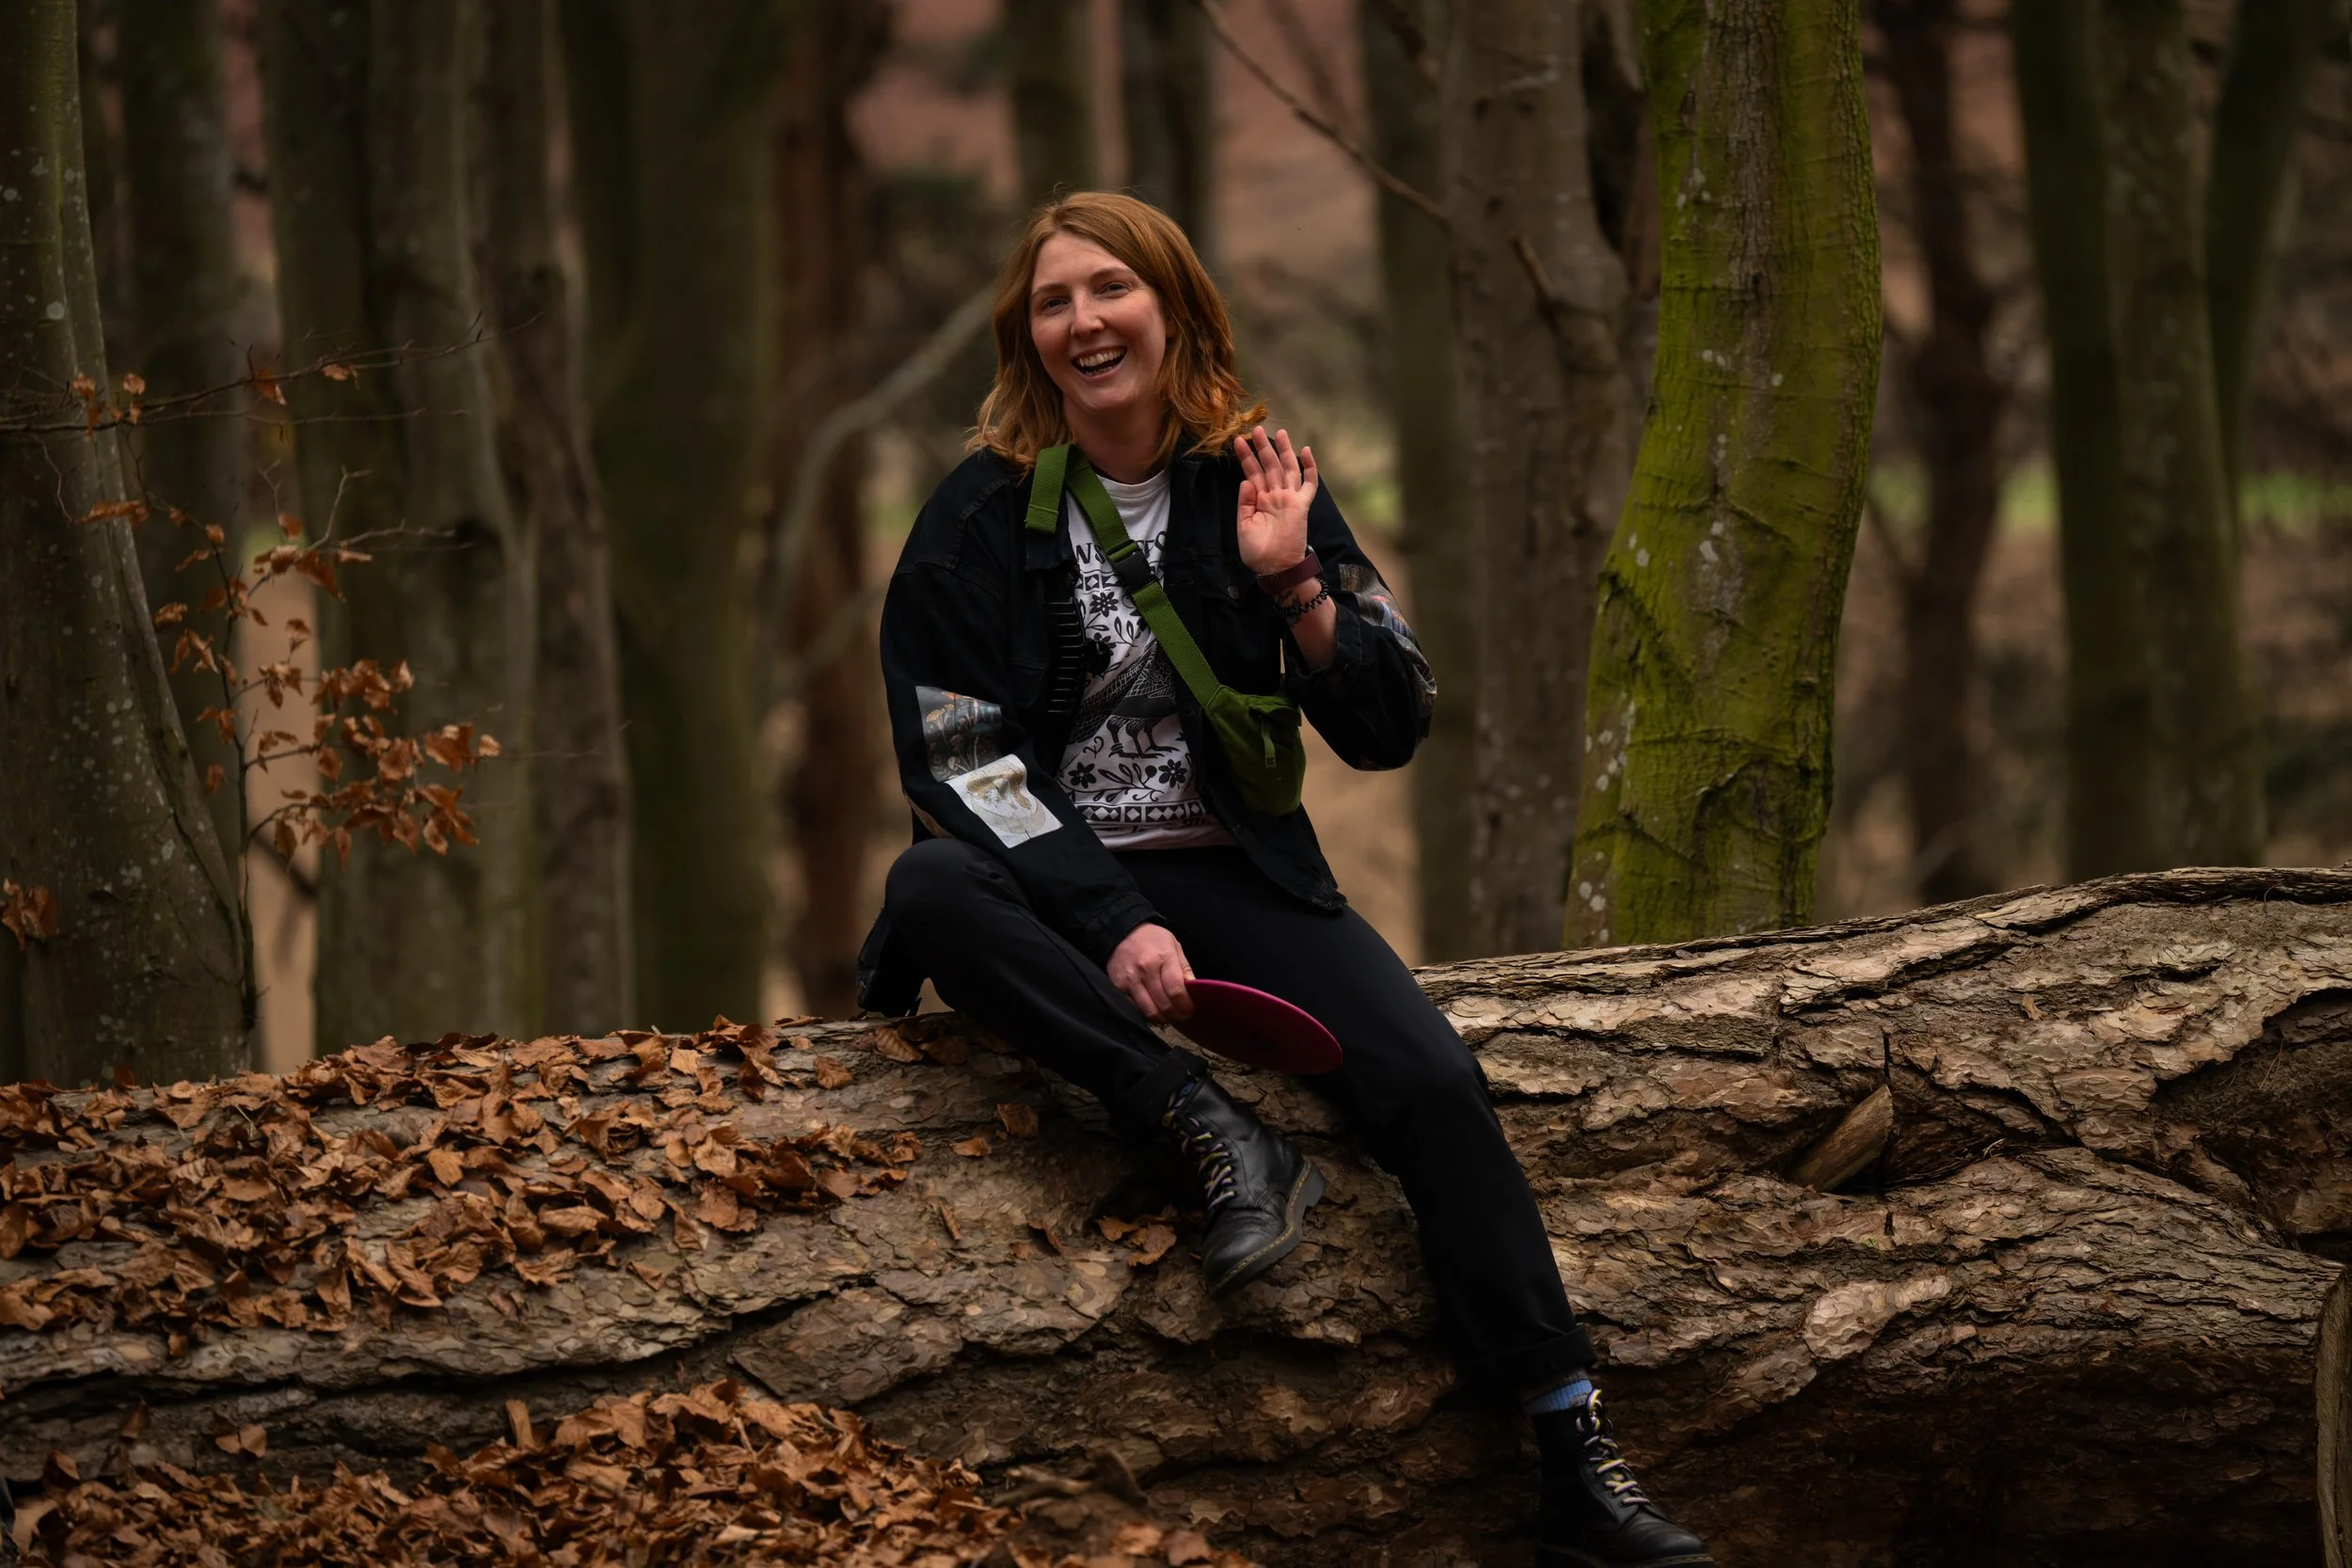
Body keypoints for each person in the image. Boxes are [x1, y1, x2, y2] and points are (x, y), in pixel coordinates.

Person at [856, 191, 1714, 1568]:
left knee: (1433, 1081)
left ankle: (1570, 1442)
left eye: (1111, 291)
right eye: (1054, 301)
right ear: (1028, 337)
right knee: (928, 894)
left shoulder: (1250, 478)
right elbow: (957, 762)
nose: (1084, 322)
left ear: (1175, 307)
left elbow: (1388, 724)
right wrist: (1110, 913)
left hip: (1236, 871)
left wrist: (1297, 588)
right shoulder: (972, 518)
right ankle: (1202, 1120)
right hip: (1044, 887)